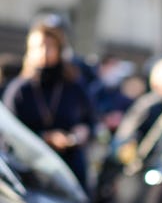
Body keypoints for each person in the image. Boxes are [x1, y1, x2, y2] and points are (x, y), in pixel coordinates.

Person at [2, 20, 95, 190]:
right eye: (39, 46)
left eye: (50, 46)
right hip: (31, 173)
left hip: (70, 168)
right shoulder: (20, 90)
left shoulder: (73, 86)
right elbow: (8, 135)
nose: (44, 52)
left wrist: (82, 132)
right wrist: (46, 138)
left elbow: (90, 120)